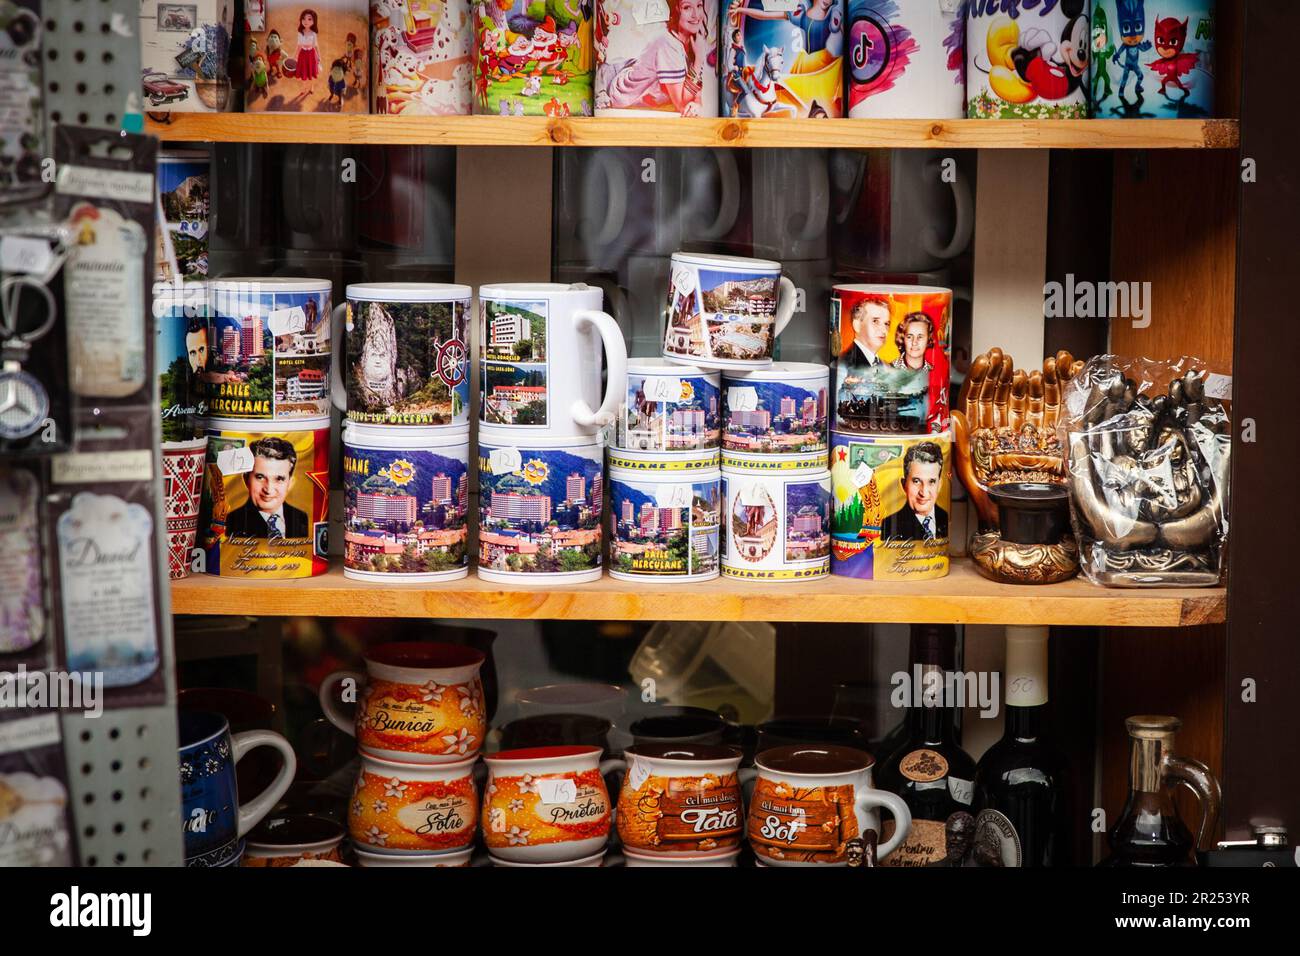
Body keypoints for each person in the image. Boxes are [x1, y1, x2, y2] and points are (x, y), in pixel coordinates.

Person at [602, 0, 710, 115]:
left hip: (648, 92)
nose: (696, 15)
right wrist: (699, 59)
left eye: (699, 6)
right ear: (676, 10)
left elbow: (697, 88)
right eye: (687, 7)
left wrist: (697, 102)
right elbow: (682, 104)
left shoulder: (694, 39)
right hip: (621, 96)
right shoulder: (667, 43)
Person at [225, 437, 309, 539]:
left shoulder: (301, 518)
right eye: (260, 477)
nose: (268, 489)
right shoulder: (232, 521)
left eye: (279, 479)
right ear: (246, 480)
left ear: (290, 483)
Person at [880, 441, 947, 541]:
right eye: (916, 481)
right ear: (904, 484)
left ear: (939, 485)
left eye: (931, 482)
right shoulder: (889, 525)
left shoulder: (945, 517)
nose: (923, 493)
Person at [842, 296, 891, 368]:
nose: (884, 330)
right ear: (857, 325)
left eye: (886, 324)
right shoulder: (844, 364)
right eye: (875, 321)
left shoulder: (886, 366)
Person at [293, 10, 320, 89]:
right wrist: (294, 56)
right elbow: (299, 45)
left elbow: (316, 45)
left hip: (311, 54)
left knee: (311, 72)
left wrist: (319, 56)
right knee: (304, 72)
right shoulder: (300, 33)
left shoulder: (314, 33)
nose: (306, 21)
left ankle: (312, 86)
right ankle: (304, 87)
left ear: (314, 21)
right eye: (303, 19)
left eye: (309, 19)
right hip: (303, 54)